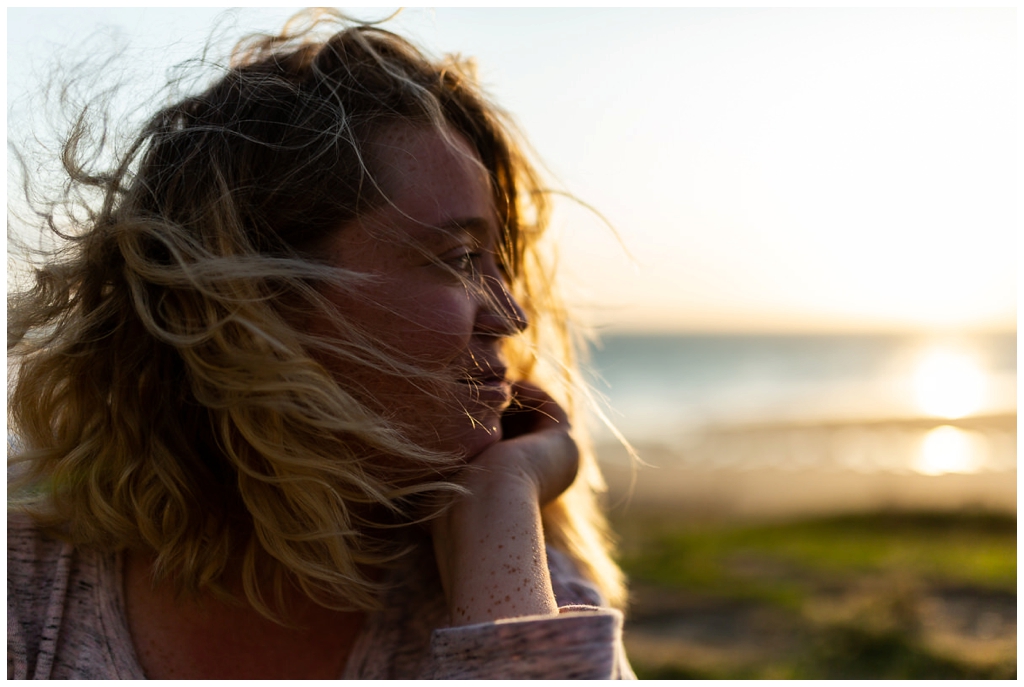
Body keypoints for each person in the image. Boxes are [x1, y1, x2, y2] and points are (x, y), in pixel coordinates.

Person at [7, 10, 633, 679]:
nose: (510, 316)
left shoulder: (516, 584)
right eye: (455, 258)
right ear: (255, 303)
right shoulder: (26, 596)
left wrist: (501, 501)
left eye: (495, 261)